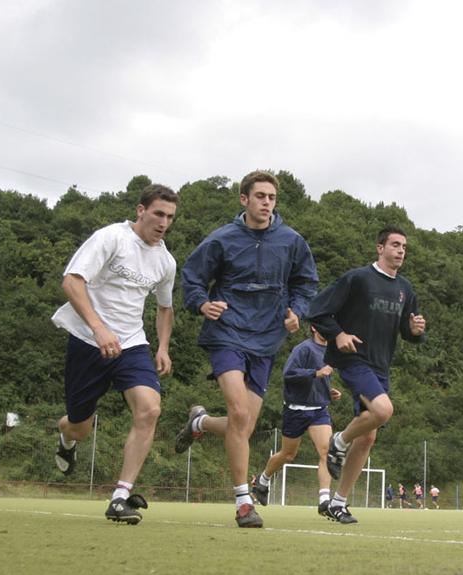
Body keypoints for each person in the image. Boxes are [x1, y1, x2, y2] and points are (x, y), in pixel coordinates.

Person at [175, 171, 318, 528]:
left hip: (267, 338)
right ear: (244, 199)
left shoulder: (292, 241)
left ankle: (201, 422)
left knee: (245, 425)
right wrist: (201, 304)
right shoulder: (222, 239)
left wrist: (296, 311)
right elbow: (191, 276)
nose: (266, 202)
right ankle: (243, 500)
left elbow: (306, 283)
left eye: (271, 197)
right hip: (226, 332)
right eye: (260, 196)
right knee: (239, 413)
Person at [51, 184, 180, 525]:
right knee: (80, 425)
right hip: (87, 340)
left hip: (131, 344)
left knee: (150, 408)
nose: (163, 223)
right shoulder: (111, 238)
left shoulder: (166, 262)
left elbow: (165, 308)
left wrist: (163, 346)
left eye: (169, 217)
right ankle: (66, 436)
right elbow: (72, 281)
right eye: (158, 214)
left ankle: (120, 496)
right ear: (141, 210)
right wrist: (98, 327)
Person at [305, 225, 426, 524]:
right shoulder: (358, 279)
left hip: (381, 366)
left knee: (369, 435)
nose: (400, 251)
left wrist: (414, 332)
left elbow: (407, 333)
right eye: (395, 245)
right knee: (384, 410)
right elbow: (317, 311)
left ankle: (339, 503)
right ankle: (339, 442)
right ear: (380, 248)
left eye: (404, 247)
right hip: (354, 359)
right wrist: (339, 334)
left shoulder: (405, 289)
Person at [247, 326, 341, 517]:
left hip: (319, 410)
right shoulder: (303, 348)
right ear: (314, 327)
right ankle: (262, 481)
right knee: (288, 455)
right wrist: (316, 374)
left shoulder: (330, 350)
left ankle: (324, 500)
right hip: (295, 410)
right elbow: (288, 374)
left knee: (326, 451)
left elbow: (321, 377)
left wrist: (328, 391)